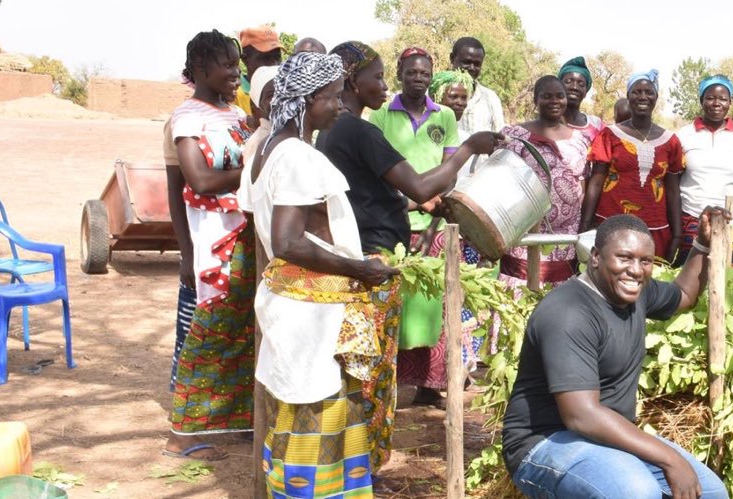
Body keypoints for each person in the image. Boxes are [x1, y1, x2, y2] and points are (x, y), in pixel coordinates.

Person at [315, 40, 502, 473]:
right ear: (351, 80)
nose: (383, 85)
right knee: (371, 373)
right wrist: (470, 146)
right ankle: (359, 468)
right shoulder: (359, 130)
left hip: (362, 253)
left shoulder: (336, 130)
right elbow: (419, 186)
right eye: (377, 76)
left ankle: (353, 463)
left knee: (362, 368)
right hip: (372, 261)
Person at [502, 213, 730, 499]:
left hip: (603, 439)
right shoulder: (569, 313)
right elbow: (581, 416)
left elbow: (684, 294)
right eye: (624, 258)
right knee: (636, 493)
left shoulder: (635, 293)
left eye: (645, 261)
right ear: (595, 257)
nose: (635, 270)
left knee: (710, 493)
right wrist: (670, 458)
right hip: (544, 442)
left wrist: (701, 245)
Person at [244, 51, 385, 497]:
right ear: (306, 100)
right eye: (332, 97)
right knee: (317, 421)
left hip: (289, 303)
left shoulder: (264, 150)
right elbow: (287, 241)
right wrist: (359, 268)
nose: (340, 106)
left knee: (290, 420)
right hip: (311, 318)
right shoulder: (297, 157)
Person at [162, 30, 257, 462]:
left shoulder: (235, 113)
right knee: (210, 329)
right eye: (226, 64)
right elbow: (197, 180)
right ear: (199, 69)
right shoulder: (188, 118)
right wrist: (256, 168)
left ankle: (235, 419)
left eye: (237, 63)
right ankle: (181, 432)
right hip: (215, 237)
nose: (235, 72)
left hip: (245, 234)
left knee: (241, 332)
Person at [367, 46, 463, 406]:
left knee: (432, 304)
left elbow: (449, 171)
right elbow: (376, 172)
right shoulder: (379, 117)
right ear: (400, 73)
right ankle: (392, 383)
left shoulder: (445, 118)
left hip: (435, 225)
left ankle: (429, 384)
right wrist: (414, 200)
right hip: (393, 222)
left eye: (424, 73)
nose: (418, 78)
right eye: (411, 72)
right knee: (395, 306)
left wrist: (433, 212)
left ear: (431, 76)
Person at [498, 75, 592, 287]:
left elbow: (583, 185)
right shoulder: (516, 135)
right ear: (535, 100)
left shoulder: (580, 140)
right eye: (546, 96)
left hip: (565, 235)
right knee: (522, 290)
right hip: (524, 231)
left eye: (560, 96)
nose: (554, 101)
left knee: (560, 290)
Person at [581, 69, 685, 261]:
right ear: (628, 96)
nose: (642, 97)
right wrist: (585, 225)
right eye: (636, 92)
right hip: (611, 224)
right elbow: (596, 182)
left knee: (647, 282)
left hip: (654, 227)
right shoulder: (610, 135)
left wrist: (677, 234)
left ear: (656, 97)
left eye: (649, 92)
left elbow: (672, 190)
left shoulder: (670, 141)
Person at [676, 74, 733, 265]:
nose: (716, 103)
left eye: (723, 98)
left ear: (730, 102)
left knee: (732, 284)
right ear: (701, 100)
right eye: (710, 98)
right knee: (691, 280)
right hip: (692, 220)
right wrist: (676, 230)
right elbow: (673, 182)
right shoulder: (684, 135)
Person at [429, 70, 479, 182]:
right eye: (453, 96)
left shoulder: (467, 139)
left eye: (464, 98)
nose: (460, 103)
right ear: (435, 98)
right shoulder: (423, 132)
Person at [451, 37, 506, 135]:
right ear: (452, 58)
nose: (472, 68)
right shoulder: (433, 94)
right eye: (466, 62)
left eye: (477, 64)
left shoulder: (490, 98)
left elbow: (500, 137)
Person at [235, 25, 282, 117]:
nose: (274, 63)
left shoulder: (284, 90)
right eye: (266, 58)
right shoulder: (234, 93)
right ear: (245, 59)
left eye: (277, 57)